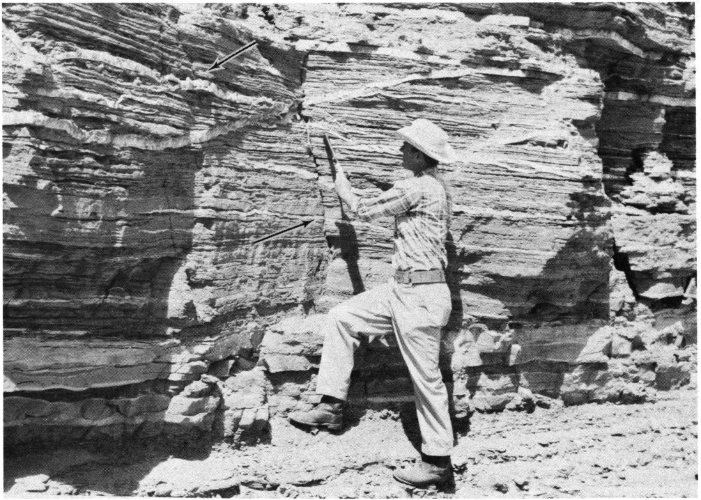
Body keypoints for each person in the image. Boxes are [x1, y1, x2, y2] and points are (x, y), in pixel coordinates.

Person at [289, 119, 456, 489]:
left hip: (421, 297)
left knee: (426, 379)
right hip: (402, 290)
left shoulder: (419, 187)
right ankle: (331, 407)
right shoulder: (431, 186)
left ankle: (437, 462)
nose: (400, 151)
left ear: (419, 155)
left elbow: (364, 209)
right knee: (343, 317)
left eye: (406, 147)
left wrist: (342, 187)